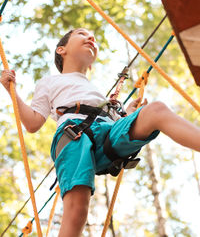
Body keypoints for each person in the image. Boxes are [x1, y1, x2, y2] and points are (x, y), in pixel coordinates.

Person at [1, 27, 200, 237]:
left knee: (155, 110)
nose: (91, 38)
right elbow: (32, 123)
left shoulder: (95, 91)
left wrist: (127, 114)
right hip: (74, 135)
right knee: (77, 209)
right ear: (61, 50)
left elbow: (114, 122)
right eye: (81, 34)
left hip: (108, 132)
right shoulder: (50, 82)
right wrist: (11, 90)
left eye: (92, 37)